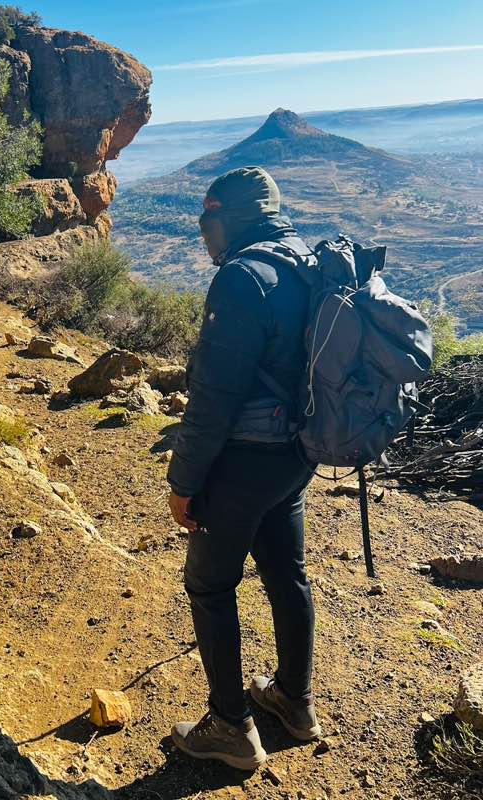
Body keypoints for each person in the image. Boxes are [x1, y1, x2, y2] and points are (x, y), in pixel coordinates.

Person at [167, 166, 322, 771]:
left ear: (232, 218)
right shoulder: (306, 261)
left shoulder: (242, 278)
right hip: (295, 455)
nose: (205, 230)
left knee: (209, 585)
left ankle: (231, 726)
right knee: (287, 573)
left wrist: (184, 483)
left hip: (244, 460)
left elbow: (213, 399)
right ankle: (294, 700)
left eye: (209, 217)